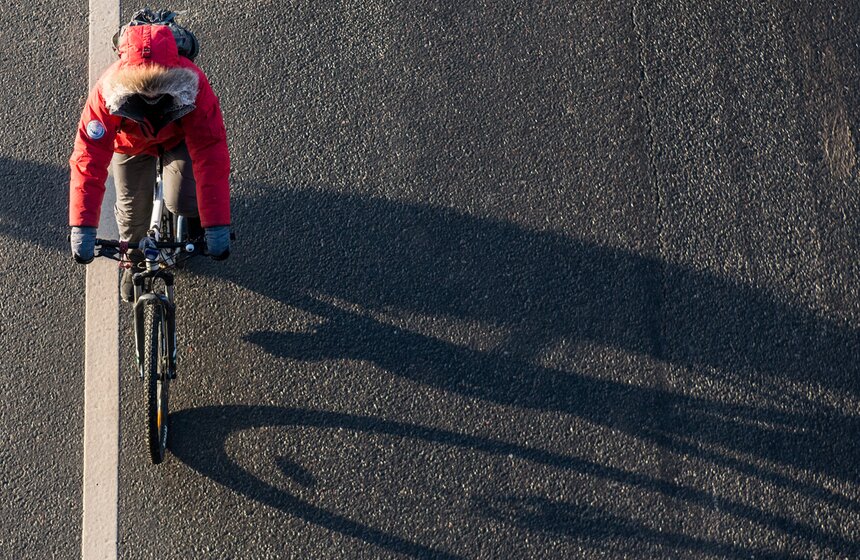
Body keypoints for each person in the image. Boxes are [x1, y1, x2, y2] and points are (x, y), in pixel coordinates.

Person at [69, 22, 230, 301]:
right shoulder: (106, 93)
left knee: (185, 202)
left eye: (160, 89)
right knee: (132, 222)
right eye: (144, 92)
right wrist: (82, 226)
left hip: (177, 140)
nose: (152, 97)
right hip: (131, 146)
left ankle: (193, 219)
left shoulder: (194, 85)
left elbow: (210, 152)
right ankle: (133, 264)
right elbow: (88, 158)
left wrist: (215, 223)